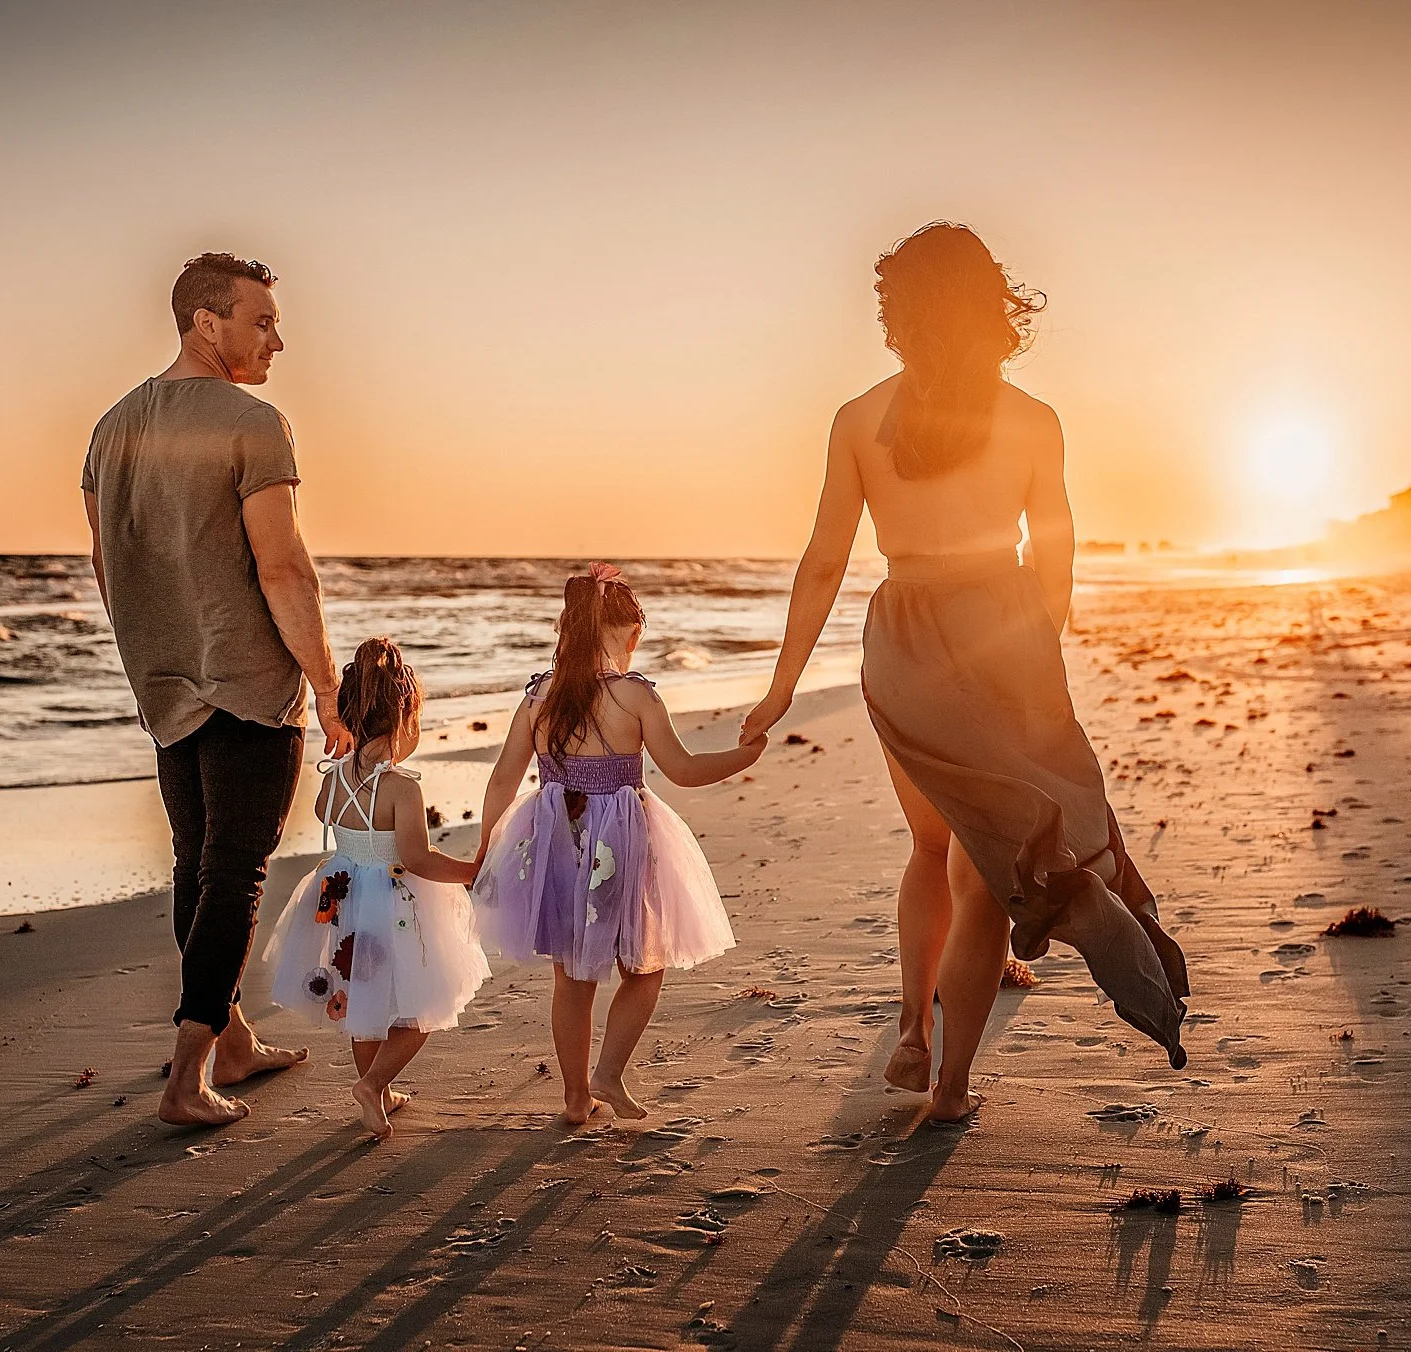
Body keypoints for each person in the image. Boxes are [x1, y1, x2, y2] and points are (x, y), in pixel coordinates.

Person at [741, 222, 1189, 1123]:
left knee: (931, 848)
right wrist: (1037, 652)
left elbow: (825, 559)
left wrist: (783, 683)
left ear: (898, 313)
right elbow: (1055, 549)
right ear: (992, 307)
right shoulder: (1032, 421)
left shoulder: (857, 419)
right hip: (1006, 641)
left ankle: (912, 1028)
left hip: (902, 644)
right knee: (986, 872)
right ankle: (950, 1089)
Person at [82, 251, 353, 1127]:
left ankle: (230, 1043)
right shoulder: (252, 420)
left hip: (161, 685)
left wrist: (153, 649)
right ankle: (186, 1077)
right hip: (243, 678)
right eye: (262, 321)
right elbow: (282, 567)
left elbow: (104, 566)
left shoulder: (112, 427)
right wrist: (325, 682)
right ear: (209, 323)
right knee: (233, 873)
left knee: (195, 868)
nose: (279, 338)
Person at [471, 563, 764, 1125]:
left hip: (555, 834)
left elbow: (504, 779)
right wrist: (744, 756)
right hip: (618, 840)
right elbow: (683, 769)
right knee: (644, 967)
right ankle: (608, 1073)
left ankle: (576, 1097)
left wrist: (489, 846)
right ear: (629, 634)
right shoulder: (634, 696)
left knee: (572, 975)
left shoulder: (539, 697)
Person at [266, 638, 490, 1141]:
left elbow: (325, 814)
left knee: (360, 993)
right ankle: (373, 1085)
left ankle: (379, 1091)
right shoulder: (403, 786)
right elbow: (417, 859)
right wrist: (471, 871)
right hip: (396, 900)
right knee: (427, 1002)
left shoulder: (336, 778)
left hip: (345, 895)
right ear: (406, 718)